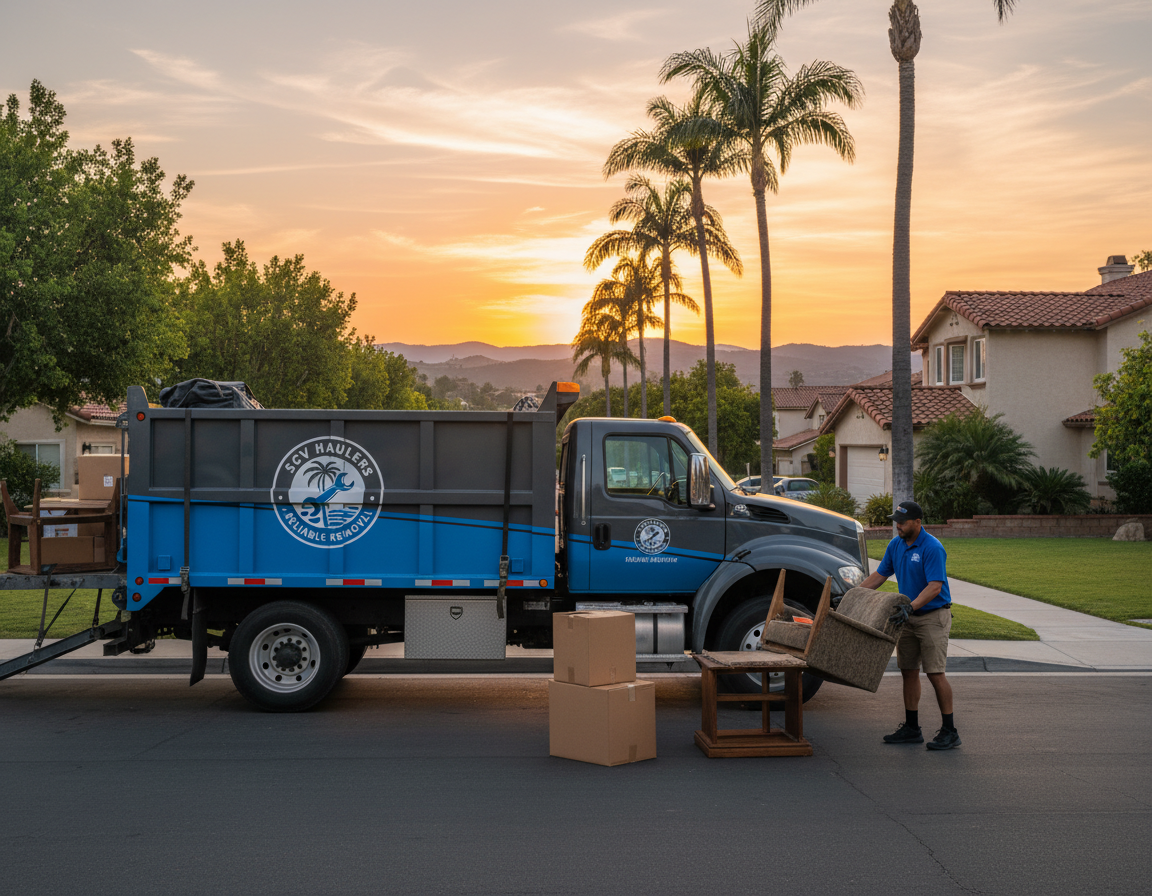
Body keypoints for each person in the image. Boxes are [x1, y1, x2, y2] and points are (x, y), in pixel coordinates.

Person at [860, 500, 960, 750]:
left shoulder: (932, 547)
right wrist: (854, 594)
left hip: (932, 616)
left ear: (918, 522)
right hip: (906, 616)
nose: (897, 526)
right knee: (908, 671)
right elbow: (880, 575)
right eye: (896, 521)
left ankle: (950, 730)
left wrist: (911, 607)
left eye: (902, 522)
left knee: (935, 673)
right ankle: (912, 728)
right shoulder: (896, 545)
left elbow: (935, 586)